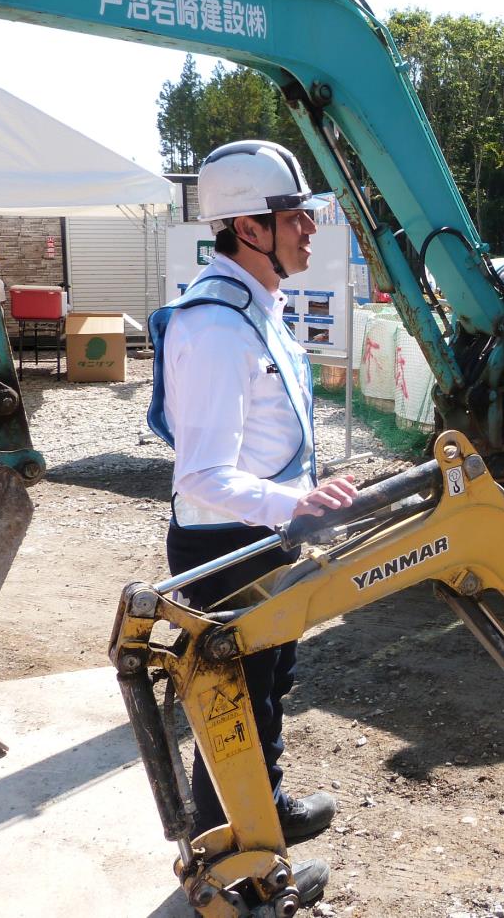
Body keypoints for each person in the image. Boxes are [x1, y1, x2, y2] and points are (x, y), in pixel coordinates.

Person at [147, 140, 358, 904]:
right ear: (247, 226)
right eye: (293, 215)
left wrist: (306, 489)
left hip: (264, 534)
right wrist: (293, 503)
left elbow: (259, 444)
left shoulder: (255, 304)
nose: (308, 228)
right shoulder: (213, 326)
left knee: (269, 684)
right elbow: (201, 472)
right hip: (227, 543)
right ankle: (232, 871)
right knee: (229, 704)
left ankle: (264, 808)